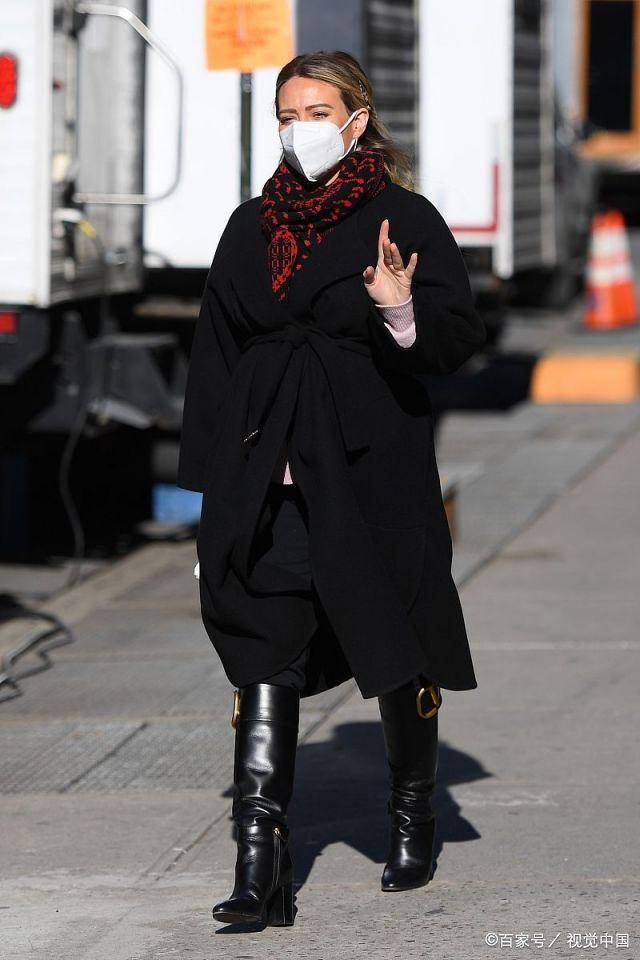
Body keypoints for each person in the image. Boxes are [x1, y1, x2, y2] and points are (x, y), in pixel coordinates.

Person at [177, 50, 487, 927]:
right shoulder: (251, 226)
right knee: (262, 646)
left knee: (393, 634)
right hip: (266, 474)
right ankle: (260, 861)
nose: (299, 128)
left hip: (367, 468)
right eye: (287, 114)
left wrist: (399, 308)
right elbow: (217, 358)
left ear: (357, 119)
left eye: (317, 112)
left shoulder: (404, 217)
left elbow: (455, 341)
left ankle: (413, 815)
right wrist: (212, 495)